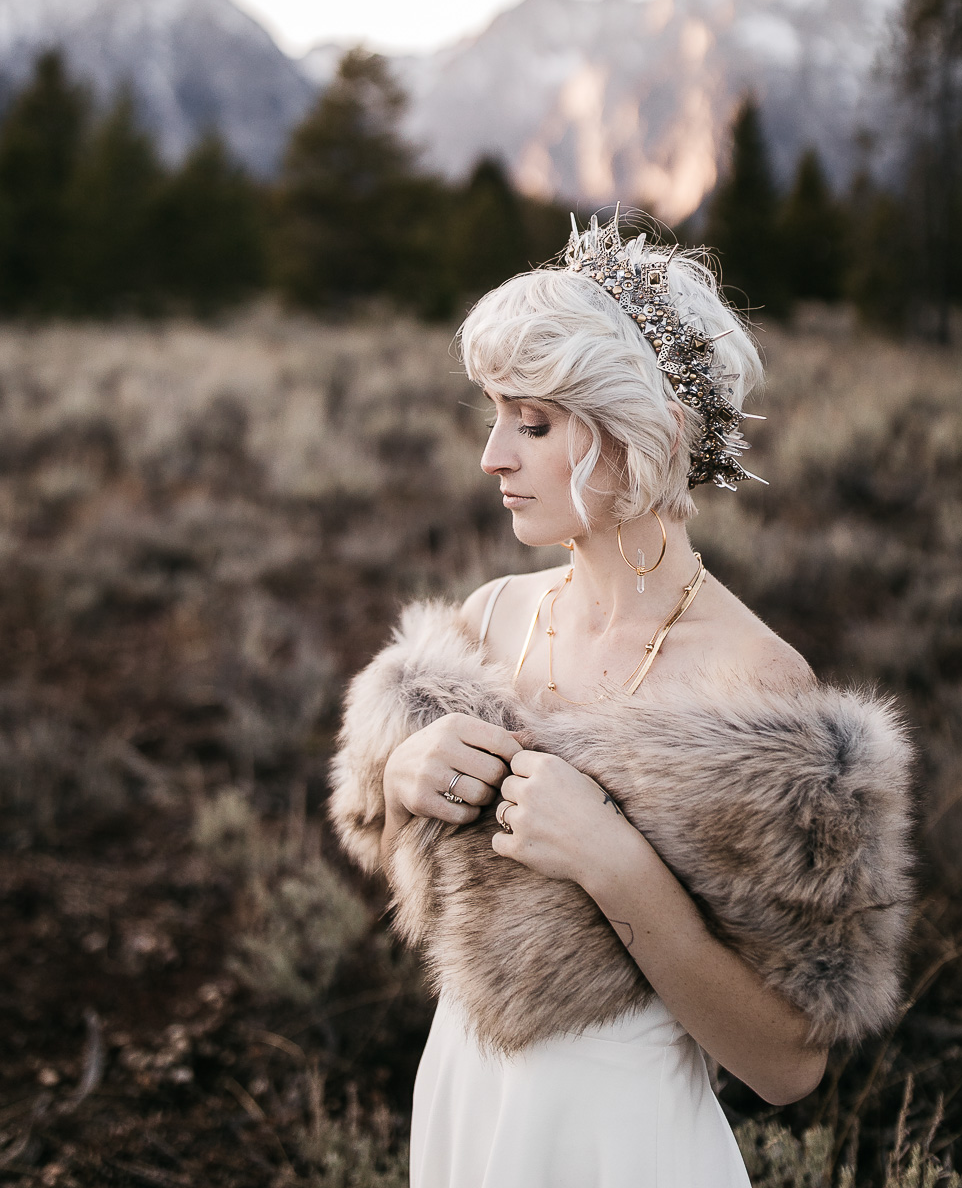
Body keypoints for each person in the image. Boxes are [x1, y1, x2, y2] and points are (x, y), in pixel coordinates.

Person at [331, 214, 913, 1188]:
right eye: (494, 414)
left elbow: (787, 1066)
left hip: (622, 1146)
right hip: (469, 1112)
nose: (493, 457)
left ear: (646, 435)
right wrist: (398, 776)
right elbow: (428, 896)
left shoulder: (760, 691)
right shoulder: (490, 625)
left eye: (534, 422)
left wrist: (617, 866)